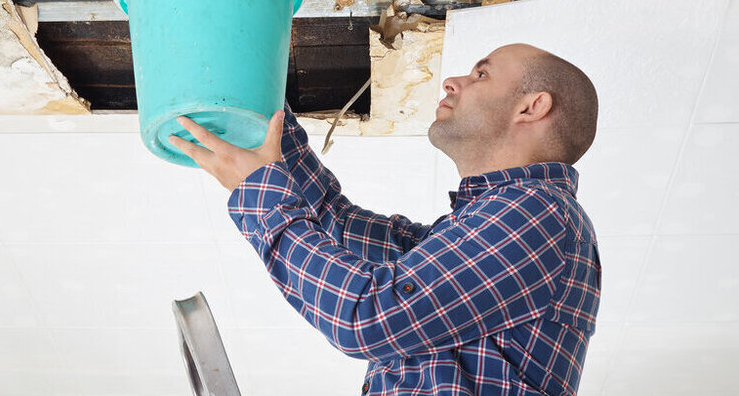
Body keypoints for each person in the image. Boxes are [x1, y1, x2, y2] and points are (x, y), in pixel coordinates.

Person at [170, 42, 601, 395]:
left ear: (531, 107)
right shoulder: (475, 227)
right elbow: (332, 221)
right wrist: (256, 89)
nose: (452, 82)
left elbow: (367, 316)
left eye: (481, 74)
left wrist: (259, 193)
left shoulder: (538, 212)